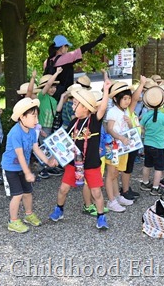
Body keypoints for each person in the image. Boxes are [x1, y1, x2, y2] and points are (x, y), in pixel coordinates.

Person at [49, 80, 112, 229]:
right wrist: (56, 156)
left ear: (84, 107)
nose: (72, 106)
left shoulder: (94, 121)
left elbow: (102, 108)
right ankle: (59, 209)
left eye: (75, 104)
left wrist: (106, 91)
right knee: (63, 189)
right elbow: (64, 143)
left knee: (96, 192)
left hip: (91, 163)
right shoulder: (73, 123)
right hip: (73, 163)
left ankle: (101, 217)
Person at [1, 98, 58, 233]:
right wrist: (27, 172)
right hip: (11, 168)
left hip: (23, 167)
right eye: (33, 116)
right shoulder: (15, 133)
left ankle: (28, 214)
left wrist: (48, 161)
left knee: (28, 193)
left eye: (36, 116)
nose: (36, 120)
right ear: (22, 117)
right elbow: (20, 155)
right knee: (17, 194)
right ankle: (13, 221)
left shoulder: (32, 131)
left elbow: (36, 149)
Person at [43, 33, 106, 100]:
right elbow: (83, 49)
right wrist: (97, 41)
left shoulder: (47, 61)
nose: (67, 48)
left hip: (49, 96)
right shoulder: (67, 57)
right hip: (64, 96)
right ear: (62, 47)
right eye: (67, 46)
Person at [104, 81, 135, 212]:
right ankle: (111, 200)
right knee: (111, 174)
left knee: (116, 173)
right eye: (124, 98)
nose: (127, 101)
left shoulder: (125, 111)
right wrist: (121, 137)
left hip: (123, 147)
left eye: (129, 98)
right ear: (116, 99)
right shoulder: (112, 111)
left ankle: (117, 196)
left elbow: (130, 129)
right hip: (113, 146)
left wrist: (130, 124)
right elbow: (109, 129)